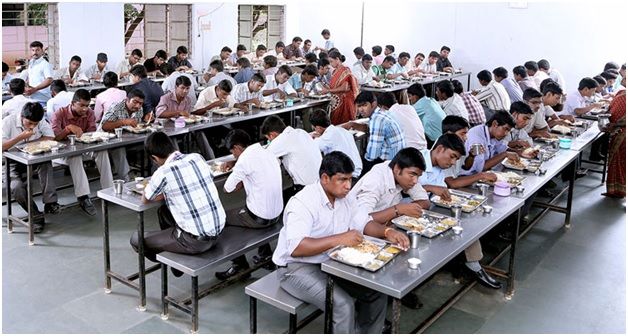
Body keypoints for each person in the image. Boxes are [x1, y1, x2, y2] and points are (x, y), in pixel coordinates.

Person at [273, 151, 409, 334]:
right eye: (342, 180)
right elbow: (297, 248)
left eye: (350, 180)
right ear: (324, 178)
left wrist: (387, 231)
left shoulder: (346, 197)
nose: (348, 186)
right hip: (295, 268)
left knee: (376, 292)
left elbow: (364, 222)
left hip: (330, 262)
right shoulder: (303, 202)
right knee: (343, 306)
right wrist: (340, 239)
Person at [131, 131, 225, 275]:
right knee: (163, 211)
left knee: (137, 239)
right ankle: (176, 258)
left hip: (196, 242)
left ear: (154, 158)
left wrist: (165, 191)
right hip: (219, 232)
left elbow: (146, 198)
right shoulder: (196, 158)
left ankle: (174, 259)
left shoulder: (163, 172)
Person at [420, 133, 501, 288]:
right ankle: (472, 266)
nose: (452, 163)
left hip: (430, 207)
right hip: (410, 209)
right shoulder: (417, 160)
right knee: (459, 221)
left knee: (464, 218)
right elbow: (404, 188)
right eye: (452, 157)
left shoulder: (439, 166)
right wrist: (430, 188)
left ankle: (473, 264)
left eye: (455, 159)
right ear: (440, 149)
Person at [215, 130, 284, 280]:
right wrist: (237, 166)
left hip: (260, 218)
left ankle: (239, 265)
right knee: (250, 207)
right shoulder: (267, 151)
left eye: (233, 151)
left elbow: (228, 188)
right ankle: (264, 255)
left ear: (238, 147)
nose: (233, 155)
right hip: (277, 213)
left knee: (222, 218)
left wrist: (238, 169)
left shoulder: (244, 160)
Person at [51, 89, 113, 216]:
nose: (85, 109)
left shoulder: (89, 113)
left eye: (87, 105)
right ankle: (83, 197)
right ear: (73, 103)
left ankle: (109, 190)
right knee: (74, 157)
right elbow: (55, 139)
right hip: (61, 152)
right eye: (82, 105)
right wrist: (68, 129)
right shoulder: (59, 114)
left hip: (83, 147)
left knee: (102, 151)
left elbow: (91, 133)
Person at [2, 102, 60, 232]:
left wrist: (30, 143)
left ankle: (50, 202)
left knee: (45, 162)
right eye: (29, 123)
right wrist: (20, 138)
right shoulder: (8, 122)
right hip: (9, 162)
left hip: (32, 157)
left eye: (36, 124)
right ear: (22, 116)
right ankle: (36, 215)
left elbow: (50, 137)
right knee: (16, 187)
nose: (33, 127)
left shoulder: (39, 120)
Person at [343, 91, 405, 173]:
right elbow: (369, 128)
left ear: (373, 104)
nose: (361, 110)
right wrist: (352, 124)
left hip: (390, 162)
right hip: (397, 157)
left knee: (357, 168)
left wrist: (363, 163)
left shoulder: (377, 119)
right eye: (359, 106)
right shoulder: (382, 112)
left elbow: (373, 154)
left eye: (364, 105)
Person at [261, 115, 322, 195]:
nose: (270, 141)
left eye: (269, 139)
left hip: (306, 188)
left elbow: (264, 156)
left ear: (272, 134)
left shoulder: (282, 139)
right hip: (321, 181)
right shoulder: (300, 132)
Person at [101, 89, 152, 181]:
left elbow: (137, 126)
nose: (138, 106)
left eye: (140, 103)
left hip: (128, 138)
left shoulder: (139, 109)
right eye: (135, 102)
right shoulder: (116, 107)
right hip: (108, 139)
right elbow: (105, 126)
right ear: (127, 100)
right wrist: (123, 122)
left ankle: (152, 176)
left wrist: (146, 121)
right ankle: (125, 180)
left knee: (151, 143)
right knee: (119, 148)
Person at [461, 110, 519, 175]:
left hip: (482, 174)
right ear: (495, 124)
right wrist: (505, 154)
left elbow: (502, 147)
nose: (506, 134)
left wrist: (521, 152)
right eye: (505, 129)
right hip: (468, 176)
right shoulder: (476, 138)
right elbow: (480, 167)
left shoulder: (493, 134)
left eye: (509, 131)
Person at [309, 109, 363, 179]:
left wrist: (315, 138)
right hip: (357, 171)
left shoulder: (328, 136)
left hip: (348, 176)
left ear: (318, 128)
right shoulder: (340, 130)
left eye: (314, 128)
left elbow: (313, 147)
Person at [320, 51, 359, 125]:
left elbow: (344, 88)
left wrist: (328, 90)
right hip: (336, 101)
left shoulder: (345, 70)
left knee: (343, 124)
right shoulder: (334, 71)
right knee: (335, 123)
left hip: (344, 101)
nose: (331, 64)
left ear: (337, 59)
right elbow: (334, 86)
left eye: (331, 61)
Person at [603, 83, 626, 198]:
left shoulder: (623, 96)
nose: (623, 79)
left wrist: (611, 124)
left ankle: (617, 190)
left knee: (618, 161)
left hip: (622, 134)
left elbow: (613, 114)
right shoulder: (622, 94)